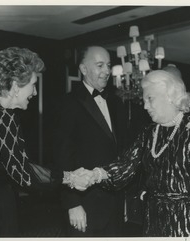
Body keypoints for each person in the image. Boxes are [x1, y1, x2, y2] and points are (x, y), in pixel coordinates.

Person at [0, 47, 89, 237]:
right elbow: (24, 173)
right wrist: (69, 178)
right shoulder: (3, 117)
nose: (35, 92)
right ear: (16, 86)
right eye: (33, 84)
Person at [83, 69, 190, 237]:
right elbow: (126, 165)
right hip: (154, 219)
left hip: (189, 221)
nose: (145, 106)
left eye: (150, 99)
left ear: (169, 96)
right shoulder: (148, 133)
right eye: (144, 100)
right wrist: (95, 174)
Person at [52, 46, 128, 236]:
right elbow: (62, 156)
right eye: (100, 65)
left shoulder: (117, 103)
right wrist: (73, 203)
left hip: (115, 204)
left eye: (109, 65)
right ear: (83, 69)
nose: (107, 71)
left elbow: (122, 152)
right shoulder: (68, 103)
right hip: (85, 205)